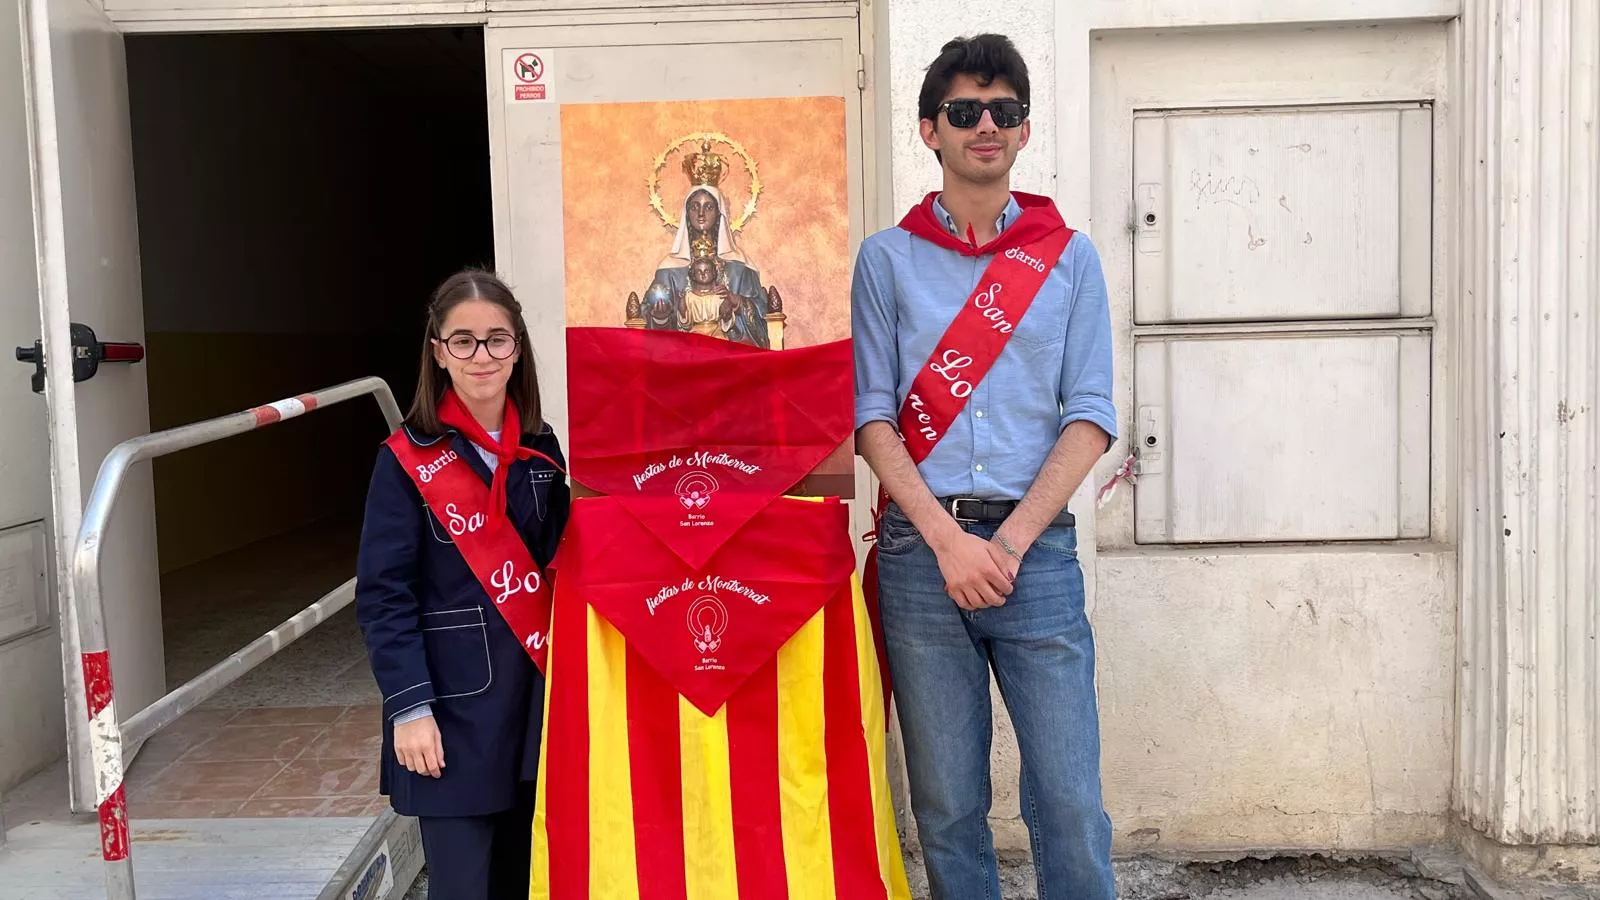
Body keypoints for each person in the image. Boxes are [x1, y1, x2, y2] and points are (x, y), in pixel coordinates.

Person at [851, 34, 1118, 900]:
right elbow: (873, 419)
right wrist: (948, 542)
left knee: (1071, 800)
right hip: (923, 563)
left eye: (1003, 111)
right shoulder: (886, 261)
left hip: (1034, 558)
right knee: (947, 805)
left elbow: (1090, 419)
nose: (985, 126)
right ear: (931, 129)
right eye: (964, 111)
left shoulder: (1069, 259)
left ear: (1025, 130)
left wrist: (1004, 545)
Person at [356, 269, 569, 900]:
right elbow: (384, 595)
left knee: (529, 879)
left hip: (533, 705)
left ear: (518, 348)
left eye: (497, 340)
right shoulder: (403, 460)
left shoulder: (541, 449)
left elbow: (569, 563)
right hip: (450, 711)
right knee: (462, 886)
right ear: (438, 351)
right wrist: (409, 708)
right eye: (464, 341)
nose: (482, 356)